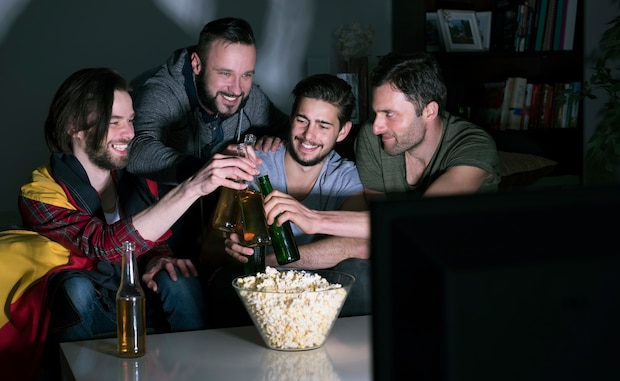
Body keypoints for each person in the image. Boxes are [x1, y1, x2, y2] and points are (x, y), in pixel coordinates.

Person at [17, 67, 261, 346]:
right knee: (76, 288)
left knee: (177, 277)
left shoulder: (134, 175)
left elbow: (152, 240)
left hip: (140, 301)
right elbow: (105, 245)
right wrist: (193, 187)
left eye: (131, 120)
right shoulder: (39, 193)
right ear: (74, 127)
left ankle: (199, 372)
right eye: (114, 122)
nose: (129, 133)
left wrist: (159, 259)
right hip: (90, 312)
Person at [204, 74, 370, 327]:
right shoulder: (254, 163)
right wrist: (232, 250)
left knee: (362, 275)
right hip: (257, 288)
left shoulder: (346, 176)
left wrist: (271, 262)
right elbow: (208, 250)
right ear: (291, 118)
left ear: (343, 131)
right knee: (226, 282)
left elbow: (358, 245)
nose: (308, 136)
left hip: (315, 289)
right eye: (302, 120)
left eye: (323, 126)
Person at [127, 17, 290, 262]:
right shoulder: (162, 90)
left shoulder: (249, 96)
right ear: (196, 64)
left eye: (246, 75)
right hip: (154, 223)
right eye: (225, 73)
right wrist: (206, 171)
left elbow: (290, 129)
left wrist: (268, 139)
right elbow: (136, 149)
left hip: (215, 229)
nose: (236, 89)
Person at [354, 52, 500, 198]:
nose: (376, 128)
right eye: (376, 113)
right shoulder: (371, 137)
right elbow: (375, 213)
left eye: (389, 114)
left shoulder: (475, 144)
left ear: (429, 111)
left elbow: (427, 214)